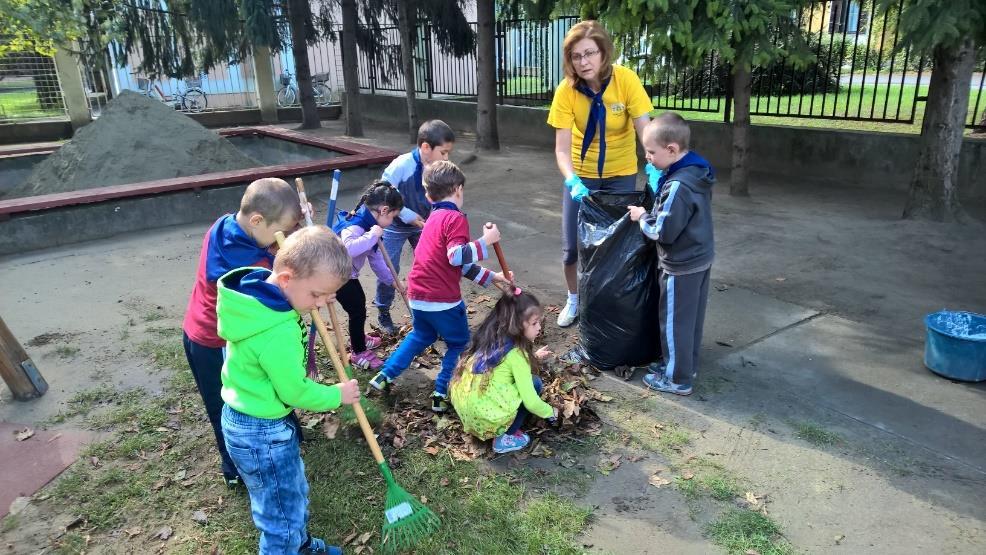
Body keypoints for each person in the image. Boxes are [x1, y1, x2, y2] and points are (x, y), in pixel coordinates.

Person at [217, 225, 361, 554]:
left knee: (289, 494)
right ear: (285, 279)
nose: (323, 303)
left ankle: (302, 546)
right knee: (279, 515)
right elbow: (294, 392)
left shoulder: (257, 300)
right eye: (317, 295)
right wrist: (337, 395)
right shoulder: (276, 332)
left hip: (248, 419)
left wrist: (314, 294)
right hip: (262, 432)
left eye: (329, 295)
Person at [181, 177, 303, 488]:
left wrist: (291, 230)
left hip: (205, 333)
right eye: (279, 231)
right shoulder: (249, 265)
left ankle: (285, 428)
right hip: (214, 343)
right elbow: (281, 282)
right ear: (257, 220)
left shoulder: (225, 224)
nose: (282, 238)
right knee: (226, 405)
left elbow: (269, 245)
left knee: (265, 385)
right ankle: (234, 467)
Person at [369, 161, 511, 413]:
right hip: (441, 299)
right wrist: (485, 241)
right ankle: (441, 392)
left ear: (427, 193)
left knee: (421, 336)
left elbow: (458, 264)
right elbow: (457, 256)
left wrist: (493, 277)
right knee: (458, 343)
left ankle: (384, 376)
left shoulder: (434, 218)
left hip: (418, 296)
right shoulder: (454, 218)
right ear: (457, 189)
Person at [547, 20, 653, 328]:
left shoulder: (626, 81)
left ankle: (609, 301)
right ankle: (574, 298)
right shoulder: (567, 91)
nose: (583, 62)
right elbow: (561, 149)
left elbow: (645, 130)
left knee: (617, 246)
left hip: (621, 174)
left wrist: (653, 165)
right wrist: (572, 180)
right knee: (571, 247)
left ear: (604, 53)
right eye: (576, 56)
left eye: (590, 53)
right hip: (581, 176)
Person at [628, 113, 715, 396]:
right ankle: (683, 365)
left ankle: (677, 379)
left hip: (680, 263)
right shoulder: (696, 172)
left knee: (674, 322)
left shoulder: (678, 185)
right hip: (700, 257)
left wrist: (642, 217)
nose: (648, 158)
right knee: (690, 319)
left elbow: (662, 232)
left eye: (651, 152)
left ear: (672, 150)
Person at [450, 291, 557, 454]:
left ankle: (488, 427)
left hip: (467, 413)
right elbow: (532, 403)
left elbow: (499, 365)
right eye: (535, 323)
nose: (539, 327)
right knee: (534, 383)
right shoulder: (517, 355)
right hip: (488, 419)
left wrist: (534, 357)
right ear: (518, 325)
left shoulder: (491, 337)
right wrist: (551, 412)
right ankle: (505, 438)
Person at [375, 120, 456, 335]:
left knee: (429, 267)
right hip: (395, 226)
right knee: (389, 269)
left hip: (424, 226)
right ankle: (383, 309)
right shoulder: (402, 165)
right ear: (426, 147)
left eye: (449, 153)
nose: (446, 158)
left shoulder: (438, 167)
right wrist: (405, 214)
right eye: (444, 152)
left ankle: (427, 313)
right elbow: (383, 190)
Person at [332, 180, 405, 370]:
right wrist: (371, 236)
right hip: (334, 275)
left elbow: (377, 260)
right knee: (357, 311)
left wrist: (392, 281)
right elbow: (348, 249)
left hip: (347, 275)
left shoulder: (370, 226)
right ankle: (358, 352)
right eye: (392, 217)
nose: (392, 223)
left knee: (359, 307)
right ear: (383, 210)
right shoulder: (357, 226)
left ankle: (359, 338)